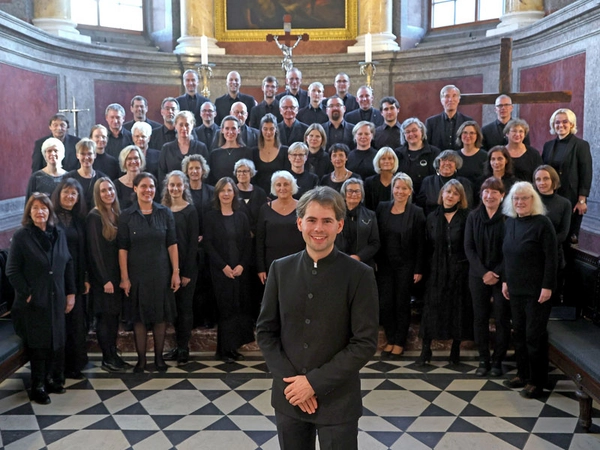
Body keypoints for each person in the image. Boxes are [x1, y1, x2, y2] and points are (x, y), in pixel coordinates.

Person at [256, 186, 378, 450]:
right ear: (299, 223)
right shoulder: (280, 269)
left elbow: (364, 343)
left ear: (340, 225)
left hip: (338, 402)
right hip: (290, 397)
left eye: (327, 221)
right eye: (311, 220)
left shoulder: (359, 274)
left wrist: (313, 383)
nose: (318, 228)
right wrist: (294, 384)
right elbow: (265, 332)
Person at [6, 193, 76, 404]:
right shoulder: (22, 236)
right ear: (29, 212)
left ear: (49, 211)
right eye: (35, 208)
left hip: (57, 296)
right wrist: (27, 293)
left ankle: (54, 380)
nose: (40, 212)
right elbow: (12, 270)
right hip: (34, 301)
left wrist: (71, 292)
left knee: (56, 339)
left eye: (44, 208)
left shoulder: (58, 233)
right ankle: (38, 386)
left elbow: (68, 263)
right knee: (39, 344)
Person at [118, 172, 180, 373]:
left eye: (151, 186)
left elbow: (172, 244)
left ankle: (159, 359)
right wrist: (125, 277)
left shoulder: (165, 212)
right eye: (143, 186)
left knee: (160, 317)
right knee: (139, 318)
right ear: (135, 189)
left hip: (161, 272)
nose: (148, 190)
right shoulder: (127, 215)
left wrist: (176, 272)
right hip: (136, 274)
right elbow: (122, 249)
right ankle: (141, 360)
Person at [502, 182, 557, 399]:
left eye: (524, 198)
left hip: (537, 291)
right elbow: (507, 255)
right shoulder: (510, 223)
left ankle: (537, 382)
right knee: (520, 334)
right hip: (515, 289)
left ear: (533, 200)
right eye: (516, 199)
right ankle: (523, 375)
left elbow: (552, 258)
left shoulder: (543, 223)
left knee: (534, 336)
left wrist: (548, 286)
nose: (520, 202)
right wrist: (505, 281)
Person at [418, 179, 473, 365]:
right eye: (447, 192)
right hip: (436, 268)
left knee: (457, 308)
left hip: (460, 268)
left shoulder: (467, 217)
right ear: (442, 194)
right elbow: (424, 246)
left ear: (460, 198)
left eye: (455, 193)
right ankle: (426, 351)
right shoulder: (432, 217)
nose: (450, 196)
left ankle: (455, 350)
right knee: (431, 308)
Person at [203, 177, 255, 362]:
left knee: (238, 308)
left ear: (234, 193)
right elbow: (208, 245)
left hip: (240, 270)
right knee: (225, 310)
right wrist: (224, 267)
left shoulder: (241, 216)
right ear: (217, 194)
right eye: (222, 190)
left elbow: (248, 244)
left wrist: (241, 265)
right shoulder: (210, 217)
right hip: (220, 271)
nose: (226, 194)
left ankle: (233, 347)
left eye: (229, 190)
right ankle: (223, 350)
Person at [376, 173, 426, 360]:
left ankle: (399, 342)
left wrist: (419, 269)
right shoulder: (382, 208)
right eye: (397, 187)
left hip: (407, 265)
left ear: (410, 191)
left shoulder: (417, 212)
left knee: (401, 304)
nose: (400, 191)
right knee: (386, 304)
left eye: (404, 188)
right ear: (392, 189)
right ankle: (390, 339)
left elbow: (422, 243)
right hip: (385, 265)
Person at [464, 177, 510, 377]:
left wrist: (496, 273)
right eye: (486, 191)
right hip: (478, 275)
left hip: (502, 276)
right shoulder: (473, 217)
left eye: (494, 192)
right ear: (481, 194)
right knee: (479, 317)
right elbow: (469, 248)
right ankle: (483, 358)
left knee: (501, 318)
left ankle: (498, 360)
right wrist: (484, 273)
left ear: (502, 196)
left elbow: (510, 249)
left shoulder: (509, 217)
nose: (489, 195)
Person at [87, 177, 130, 373]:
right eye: (103, 190)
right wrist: (105, 279)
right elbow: (94, 251)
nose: (108, 193)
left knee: (113, 318)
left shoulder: (116, 213)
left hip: (116, 274)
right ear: (98, 194)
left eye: (110, 189)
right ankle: (107, 358)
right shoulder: (95, 216)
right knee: (105, 319)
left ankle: (113, 355)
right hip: (103, 278)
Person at [51, 178, 89, 380]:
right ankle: (58, 367)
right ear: (58, 194)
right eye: (66, 192)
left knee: (76, 322)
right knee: (59, 323)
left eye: (74, 194)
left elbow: (83, 251)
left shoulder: (79, 219)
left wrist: (84, 277)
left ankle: (74, 365)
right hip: (57, 277)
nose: (69, 196)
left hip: (76, 275)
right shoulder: (51, 218)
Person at [161, 171, 199, 366]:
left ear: (184, 186)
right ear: (167, 187)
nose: (175, 188)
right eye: (171, 185)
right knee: (172, 311)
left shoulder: (190, 210)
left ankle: (184, 347)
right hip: (164, 269)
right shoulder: (161, 209)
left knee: (185, 309)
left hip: (185, 269)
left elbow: (193, 244)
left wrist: (186, 273)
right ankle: (176, 346)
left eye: (178, 185)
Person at [542, 108, 592, 243]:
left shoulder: (581, 145)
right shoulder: (548, 145)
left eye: (565, 121)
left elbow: (586, 172)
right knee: (550, 235)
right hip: (550, 197)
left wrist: (582, 200)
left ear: (572, 124)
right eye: (557, 122)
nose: (561, 125)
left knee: (568, 237)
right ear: (553, 125)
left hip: (571, 198)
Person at [182, 154, 216, 329]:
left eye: (197, 168)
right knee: (192, 284)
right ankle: (194, 319)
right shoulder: (182, 190)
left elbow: (216, 215)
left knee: (208, 282)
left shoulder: (211, 191)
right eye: (191, 168)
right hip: (188, 244)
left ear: (203, 170)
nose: (194, 171)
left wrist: (205, 234)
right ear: (186, 171)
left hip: (209, 242)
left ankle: (208, 318)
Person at [256, 171, 305, 285]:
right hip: (272, 263)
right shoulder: (265, 209)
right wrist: (261, 268)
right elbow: (259, 241)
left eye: (286, 184)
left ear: (292, 186)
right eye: (278, 185)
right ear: (274, 187)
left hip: (297, 262)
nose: (282, 188)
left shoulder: (302, 207)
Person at [534, 165, 572, 300]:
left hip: (552, 255)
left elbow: (563, 232)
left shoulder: (564, 203)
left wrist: (545, 246)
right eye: (538, 179)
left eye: (546, 179)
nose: (541, 182)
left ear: (554, 181)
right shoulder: (529, 200)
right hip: (530, 255)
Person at [416, 150, 474, 216]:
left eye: (451, 161)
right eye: (443, 160)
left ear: (456, 165)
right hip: (431, 220)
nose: (447, 163)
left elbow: (467, 205)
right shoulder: (428, 181)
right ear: (439, 163)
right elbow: (420, 204)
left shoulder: (464, 182)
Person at [337, 178, 380, 268]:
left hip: (363, 263)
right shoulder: (335, 214)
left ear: (362, 195)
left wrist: (358, 257)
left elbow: (375, 243)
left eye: (357, 191)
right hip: (338, 262)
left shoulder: (370, 215)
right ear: (344, 194)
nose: (354, 194)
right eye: (350, 191)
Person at [158, 110, 209, 182]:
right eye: (181, 125)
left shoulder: (201, 148)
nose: (184, 128)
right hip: (172, 191)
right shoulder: (166, 148)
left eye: (187, 125)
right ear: (175, 126)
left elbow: (205, 174)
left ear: (192, 125)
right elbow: (161, 175)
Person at [395, 117, 440, 196]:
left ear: (422, 131)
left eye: (414, 130)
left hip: (427, 196)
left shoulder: (434, 152)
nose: (411, 134)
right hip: (403, 196)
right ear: (403, 135)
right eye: (407, 132)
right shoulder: (397, 153)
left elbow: (437, 178)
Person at [425, 85, 473, 151]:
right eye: (447, 96)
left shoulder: (468, 121)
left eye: (454, 96)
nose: (450, 100)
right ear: (441, 100)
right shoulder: (431, 123)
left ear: (458, 99)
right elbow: (427, 147)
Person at [251, 113, 289, 194]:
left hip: (280, 194)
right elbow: (252, 178)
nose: (268, 132)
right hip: (258, 195)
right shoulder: (254, 152)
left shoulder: (285, 151)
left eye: (271, 129)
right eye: (265, 129)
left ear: (276, 130)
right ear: (261, 130)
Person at [65, 138, 106, 210]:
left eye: (89, 154)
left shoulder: (102, 178)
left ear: (95, 155)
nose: (86, 157)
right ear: (77, 155)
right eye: (82, 154)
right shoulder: (69, 177)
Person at [208, 115, 252, 184]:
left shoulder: (247, 152)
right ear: (222, 130)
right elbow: (211, 179)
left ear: (239, 130)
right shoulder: (214, 154)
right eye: (227, 128)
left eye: (233, 128)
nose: (230, 132)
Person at [235, 158, 268, 235]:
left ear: (251, 173)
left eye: (245, 171)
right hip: (237, 234)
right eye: (239, 171)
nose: (241, 174)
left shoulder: (260, 193)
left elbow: (263, 216)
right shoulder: (231, 191)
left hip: (257, 234)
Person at [455, 121, 487, 190]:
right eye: (465, 132)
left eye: (472, 133)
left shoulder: (485, 156)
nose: (468, 136)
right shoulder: (455, 156)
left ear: (477, 136)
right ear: (460, 135)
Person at [364, 147, 399, 211]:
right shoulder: (369, 182)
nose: (387, 161)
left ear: (394, 161)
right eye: (383, 159)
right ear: (378, 161)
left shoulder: (400, 182)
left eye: (390, 158)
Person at [114, 145, 145, 210]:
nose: (133, 161)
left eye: (136, 158)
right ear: (124, 162)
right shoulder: (116, 185)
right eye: (129, 159)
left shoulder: (148, 181)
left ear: (141, 160)